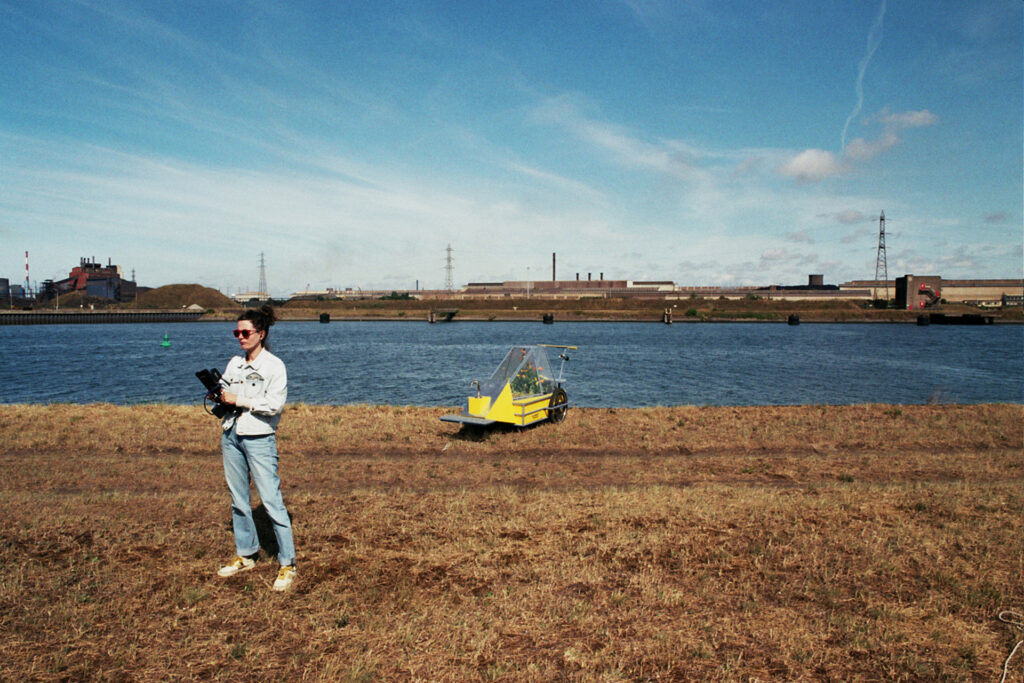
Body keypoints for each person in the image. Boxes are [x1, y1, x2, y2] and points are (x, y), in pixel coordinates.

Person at [215, 305, 296, 591]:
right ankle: (246, 553)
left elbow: (274, 405)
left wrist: (240, 400)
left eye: (245, 332)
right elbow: (226, 391)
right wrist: (220, 396)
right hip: (231, 434)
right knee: (238, 498)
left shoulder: (274, 366)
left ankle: (287, 563)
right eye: (237, 332)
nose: (240, 337)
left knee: (271, 500)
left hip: (259, 437)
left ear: (260, 334)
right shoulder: (234, 363)